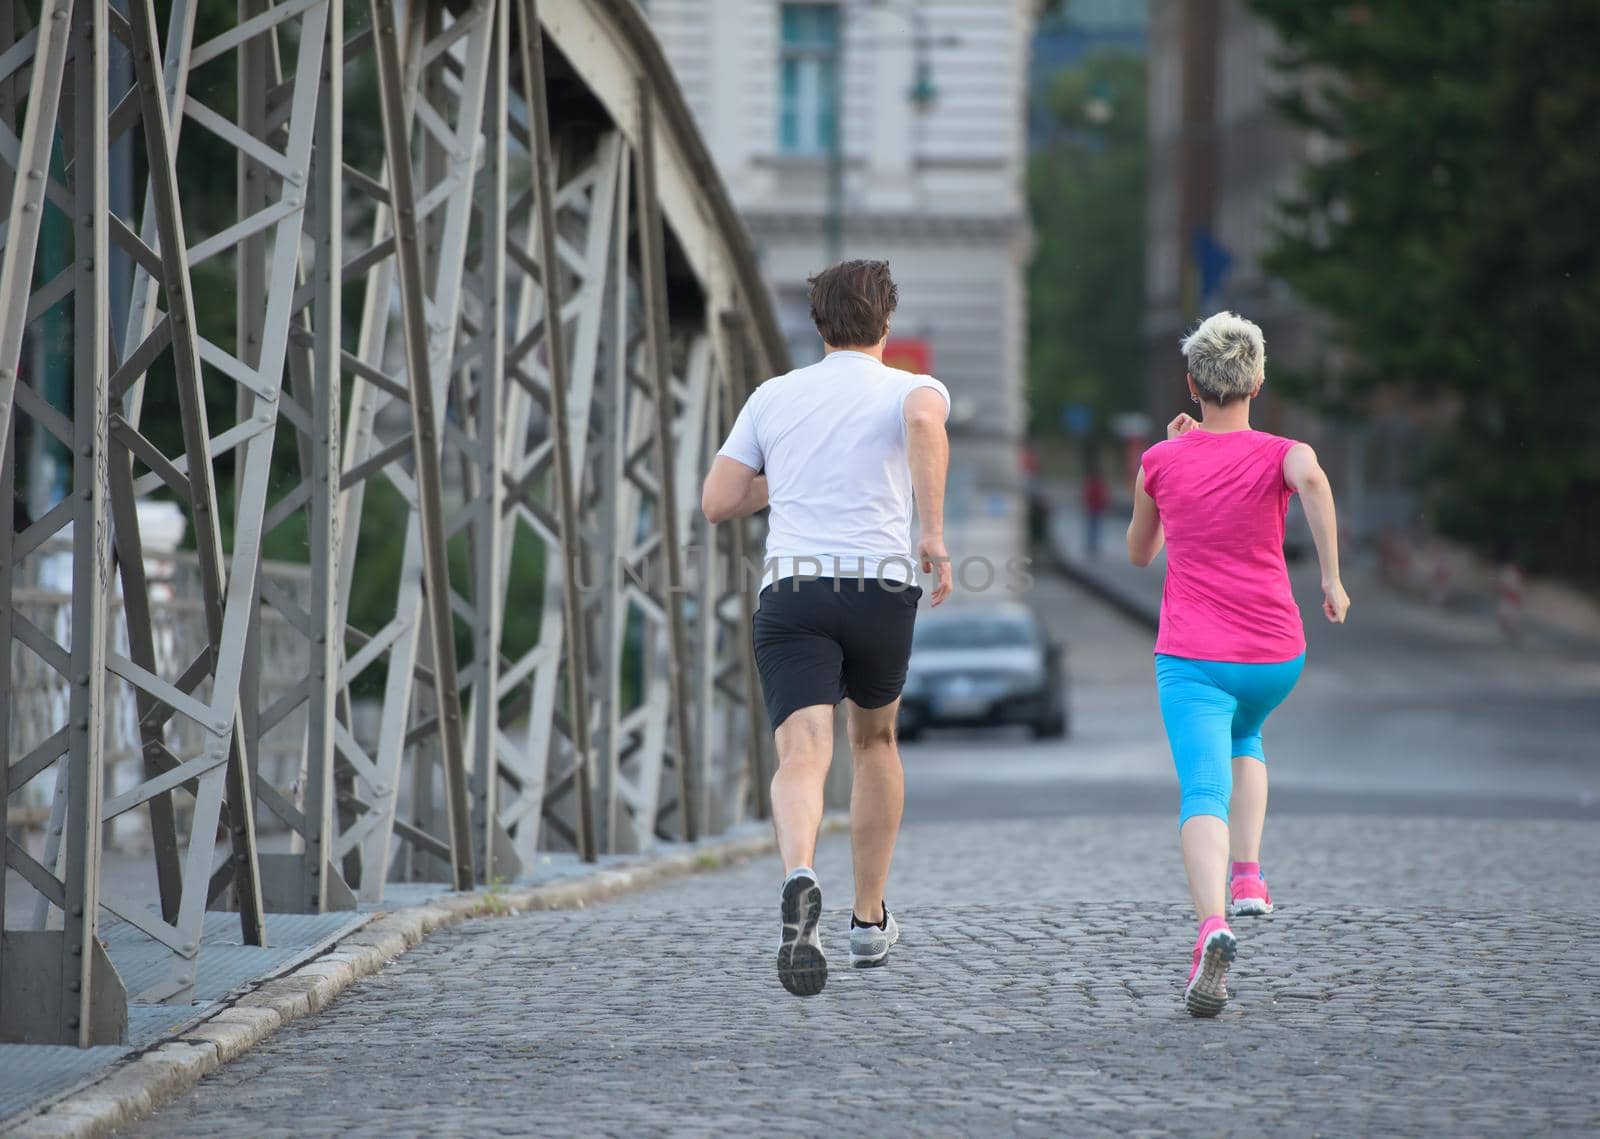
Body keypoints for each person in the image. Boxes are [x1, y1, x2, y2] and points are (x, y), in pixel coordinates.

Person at [701, 260, 954, 997]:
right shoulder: (912, 387)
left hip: (794, 591)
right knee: (874, 743)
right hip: (878, 588)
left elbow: (718, 500)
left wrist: (791, 470)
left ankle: (799, 874)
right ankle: (868, 921)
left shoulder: (773, 396)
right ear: (888, 322)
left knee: (802, 752)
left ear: (818, 325)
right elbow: (920, 425)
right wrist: (931, 532)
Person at [1126, 311, 1350, 1017]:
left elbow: (1140, 553)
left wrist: (1164, 467)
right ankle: (1249, 876)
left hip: (1194, 656)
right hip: (1275, 654)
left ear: (1193, 384)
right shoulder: (1284, 451)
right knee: (1247, 733)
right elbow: (1311, 480)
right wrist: (1332, 580)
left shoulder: (1161, 461)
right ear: (1258, 380)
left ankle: (1211, 927)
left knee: (1201, 790)